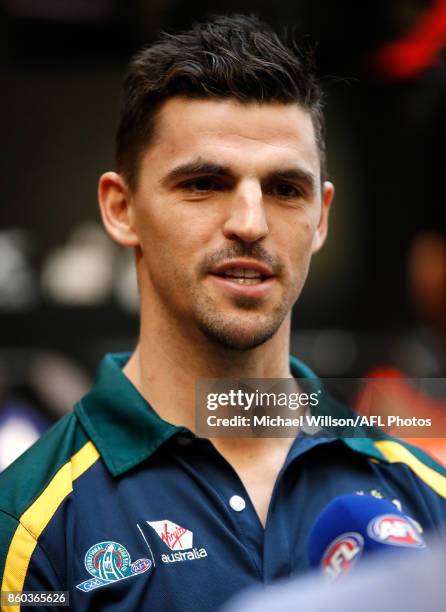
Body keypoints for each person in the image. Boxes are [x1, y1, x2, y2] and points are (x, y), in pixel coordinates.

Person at [1, 14, 446, 612]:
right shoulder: (27, 523)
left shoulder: (427, 499)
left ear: (321, 218)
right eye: (205, 183)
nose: (250, 223)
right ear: (120, 208)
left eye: (286, 189)